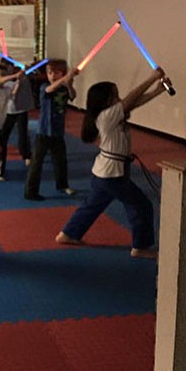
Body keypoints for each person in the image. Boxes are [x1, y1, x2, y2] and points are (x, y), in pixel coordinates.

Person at [55, 68, 167, 259]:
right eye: (115, 95)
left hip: (105, 173)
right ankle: (141, 247)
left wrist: (159, 90)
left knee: (93, 205)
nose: (120, 98)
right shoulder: (107, 116)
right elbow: (132, 98)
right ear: (107, 100)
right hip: (112, 174)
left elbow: (135, 102)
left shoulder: (111, 114)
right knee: (141, 206)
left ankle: (68, 233)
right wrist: (152, 77)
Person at [24, 59, 78, 200]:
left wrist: (69, 84)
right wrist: (66, 78)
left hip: (57, 131)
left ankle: (62, 185)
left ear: (62, 73)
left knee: (60, 161)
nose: (52, 76)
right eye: (49, 72)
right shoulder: (44, 87)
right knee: (37, 163)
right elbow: (50, 89)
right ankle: (30, 192)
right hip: (43, 132)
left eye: (56, 73)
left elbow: (72, 96)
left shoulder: (63, 88)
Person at [1, 70, 34, 166]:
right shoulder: (6, 83)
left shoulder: (24, 81)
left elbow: (32, 76)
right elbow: (13, 93)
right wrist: (18, 82)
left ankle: (26, 155)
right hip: (9, 111)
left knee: (23, 133)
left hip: (21, 110)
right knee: (4, 134)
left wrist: (24, 74)